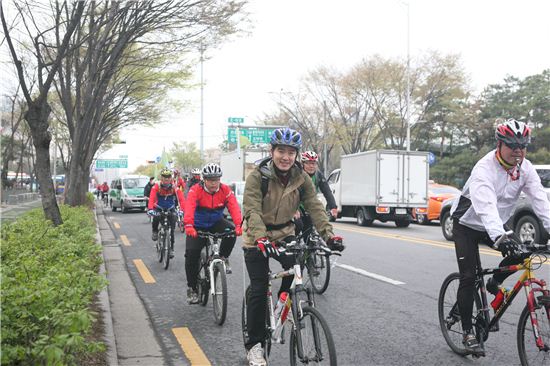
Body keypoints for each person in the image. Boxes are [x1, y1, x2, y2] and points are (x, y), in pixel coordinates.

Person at [242, 127, 345, 366]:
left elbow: (314, 206)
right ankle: (254, 346)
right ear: (272, 151)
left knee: (296, 269)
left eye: (290, 152)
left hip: (285, 232)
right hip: (257, 237)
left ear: (296, 155)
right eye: (281, 151)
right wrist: (260, 238)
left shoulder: (302, 178)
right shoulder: (258, 176)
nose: (286, 157)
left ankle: (283, 304)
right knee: (258, 288)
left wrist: (328, 236)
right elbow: (251, 210)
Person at [450, 118, 550, 356]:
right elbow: (485, 206)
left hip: (495, 223)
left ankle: (494, 283)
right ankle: (468, 333)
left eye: (523, 146)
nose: (518, 151)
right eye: (512, 145)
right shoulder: (484, 169)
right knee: (468, 277)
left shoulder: (525, 168)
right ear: (499, 144)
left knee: (524, 254)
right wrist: (499, 236)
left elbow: (540, 201)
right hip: (467, 224)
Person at [183, 163, 242, 304]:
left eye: (216, 179)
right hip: (197, 225)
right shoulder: (195, 190)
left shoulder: (225, 190)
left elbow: (233, 207)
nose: (213, 183)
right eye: (210, 180)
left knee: (231, 232)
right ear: (204, 180)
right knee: (191, 254)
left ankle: (223, 257)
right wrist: (189, 225)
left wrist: (239, 224)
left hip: (216, 222)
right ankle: (192, 288)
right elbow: (189, 208)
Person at [295, 150, 338, 244]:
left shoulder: (318, 175)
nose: (311, 166)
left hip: (311, 206)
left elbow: (327, 192)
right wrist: (294, 210)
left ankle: (308, 256)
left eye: (314, 163)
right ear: (303, 164)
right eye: (308, 163)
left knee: (309, 236)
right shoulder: (297, 174)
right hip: (296, 206)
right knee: (298, 226)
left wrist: (333, 207)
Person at [147, 169, 185, 258]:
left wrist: (182, 210)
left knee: (172, 227)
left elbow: (182, 199)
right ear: (161, 178)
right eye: (164, 177)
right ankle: (155, 231)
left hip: (170, 208)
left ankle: (171, 249)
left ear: (171, 178)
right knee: (156, 217)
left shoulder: (174, 187)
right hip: (159, 207)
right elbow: (151, 198)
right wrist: (150, 209)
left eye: (168, 177)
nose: (166, 179)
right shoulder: (156, 186)